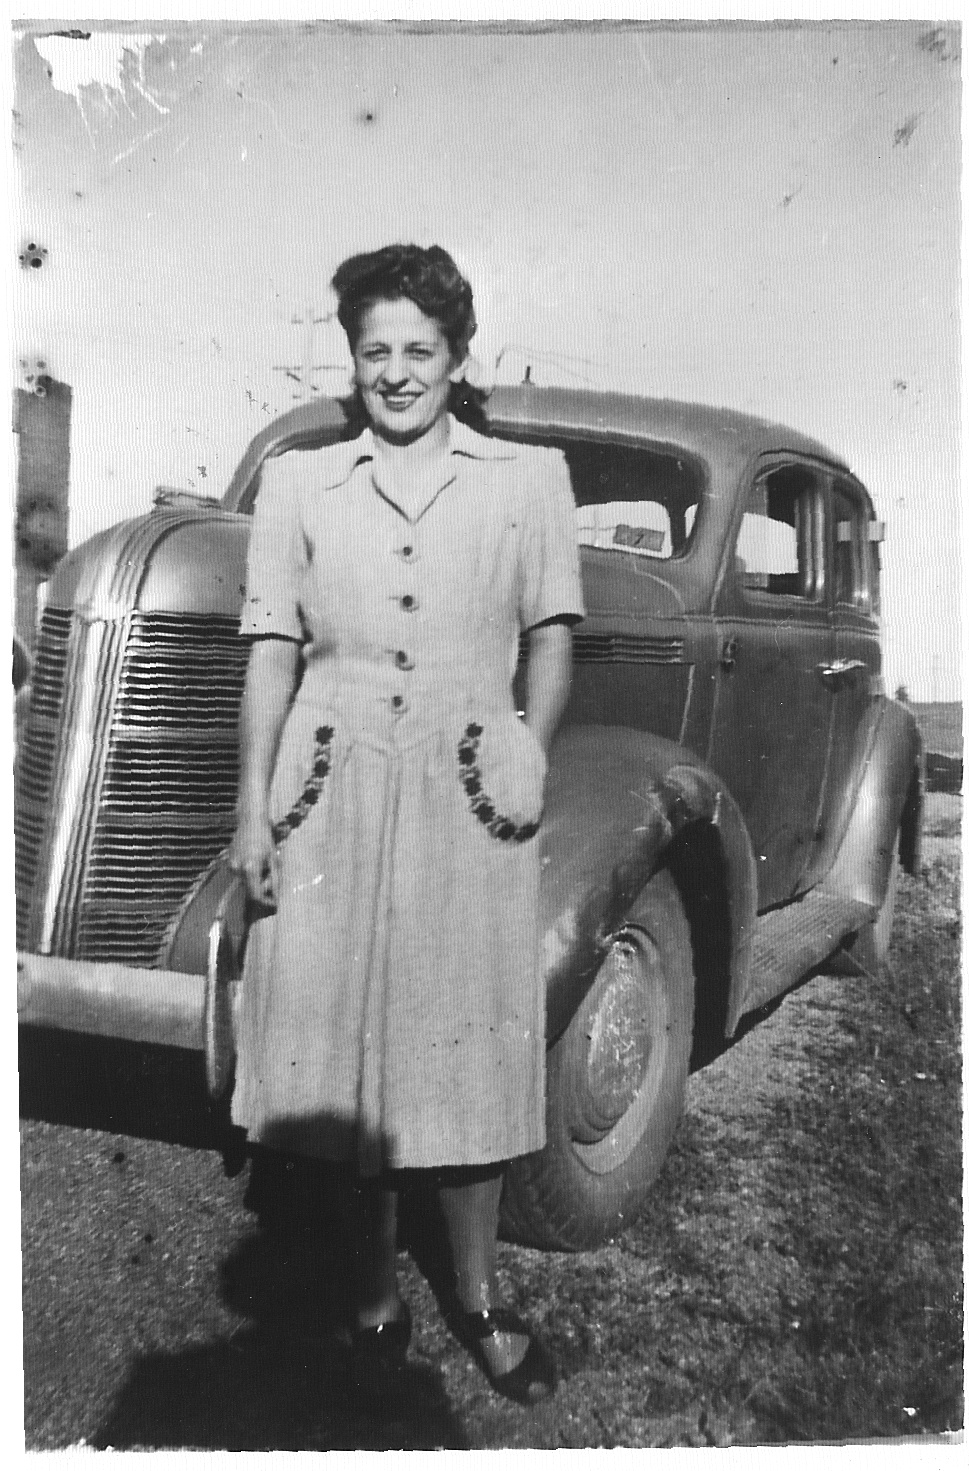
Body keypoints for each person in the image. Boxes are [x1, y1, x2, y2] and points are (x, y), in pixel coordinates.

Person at [227, 244, 584, 1404]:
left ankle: (476, 1303)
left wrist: (525, 743)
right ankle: (375, 1302)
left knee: (470, 1047)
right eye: (374, 349)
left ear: (456, 355)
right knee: (355, 1052)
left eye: (417, 350)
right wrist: (252, 808)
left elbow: (552, 634)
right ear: (352, 358)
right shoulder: (300, 484)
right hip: (329, 788)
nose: (395, 372)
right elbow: (271, 653)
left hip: (469, 789)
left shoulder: (527, 480)